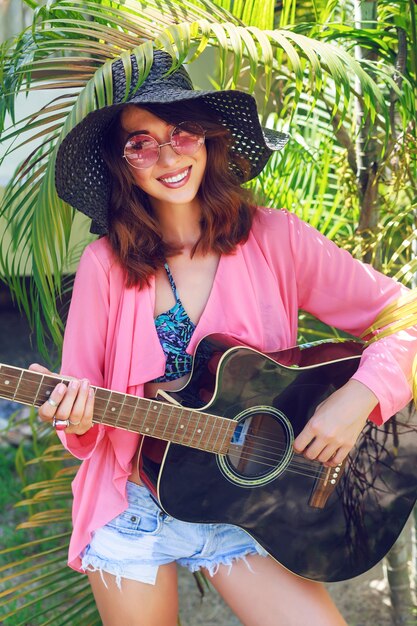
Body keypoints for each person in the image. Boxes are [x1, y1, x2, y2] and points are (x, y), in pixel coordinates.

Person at [30, 49, 416, 626]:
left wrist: (357, 398)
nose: (167, 156)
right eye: (141, 143)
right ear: (123, 164)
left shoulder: (275, 239)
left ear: (210, 140)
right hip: (136, 508)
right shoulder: (103, 265)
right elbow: (82, 417)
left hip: (255, 501)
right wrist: (72, 413)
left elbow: (404, 314)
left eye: (182, 132)